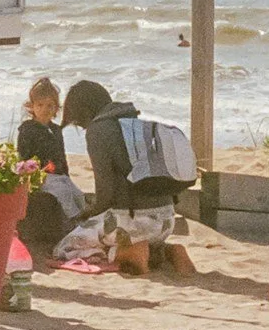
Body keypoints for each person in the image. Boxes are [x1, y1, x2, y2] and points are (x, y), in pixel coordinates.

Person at [64, 80, 196, 277]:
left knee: (67, 246)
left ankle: (132, 253)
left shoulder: (98, 130)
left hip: (133, 223)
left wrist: (88, 214)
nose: (83, 128)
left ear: (84, 111)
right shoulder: (133, 123)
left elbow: (105, 194)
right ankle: (165, 251)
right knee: (131, 232)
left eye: (79, 123)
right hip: (166, 222)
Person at [13, 77, 86, 263]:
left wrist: (67, 176)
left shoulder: (56, 130)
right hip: (40, 176)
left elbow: (62, 156)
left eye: (50, 106)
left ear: (56, 108)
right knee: (63, 194)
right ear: (32, 107)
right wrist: (36, 170)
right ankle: (71, 228)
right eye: (40, 105)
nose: (45, 110)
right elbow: (24, 156)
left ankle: (83, 225)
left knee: (76, 193)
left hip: (58, 175)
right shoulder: (28, 129)